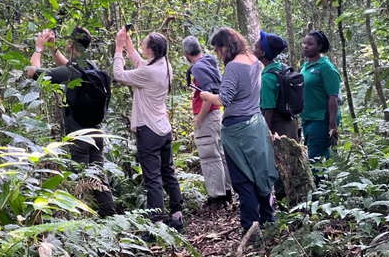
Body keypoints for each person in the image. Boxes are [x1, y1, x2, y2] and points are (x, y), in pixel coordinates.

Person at [200, 28, 278, 243]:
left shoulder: (234, 66)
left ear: (226, 46)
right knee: (260, 174)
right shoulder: (254, 59)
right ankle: (268, 221)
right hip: (256, 125)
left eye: (217, 49)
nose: (217, 54)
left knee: (244, 180)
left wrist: (206, 95)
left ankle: (251, 231)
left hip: (237, 130)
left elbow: (224, 99)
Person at [27, 27, 116, 218]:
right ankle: (111, 219)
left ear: (72, 44)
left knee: (79, 183)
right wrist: (53, 49)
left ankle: (80, 225)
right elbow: (66, 66)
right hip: (96, 134)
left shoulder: (72, 72)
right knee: (99, 180)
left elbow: (33, 73)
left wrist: (38, 49)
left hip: (79, 137)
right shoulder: (89, 66)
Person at [113, 27, 185, 241]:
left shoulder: (149, 72)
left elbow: (119, 75)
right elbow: (139, 63)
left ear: (151, 50)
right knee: (168, 172)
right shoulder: (164, 65)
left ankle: (157, 226)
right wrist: (127, 43)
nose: (141, 46)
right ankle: (177, 217)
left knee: (153, 178)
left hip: (149, 130)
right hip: (163, 128)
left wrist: (118, 50)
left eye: (143, 43)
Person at [181, 36, 232, 211]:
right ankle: (226, 192)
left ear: (186, 53)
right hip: (218, 114)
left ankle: (216, 198)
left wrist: (200, 117)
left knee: (209, 156)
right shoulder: (210, 63)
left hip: (209, 115)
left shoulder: (199, 68)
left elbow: (208, 93)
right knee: (220, 153)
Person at [253, 31, 299, 201]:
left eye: (257, 45)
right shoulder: (282, 68)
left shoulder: (267, 78)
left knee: (280, 168)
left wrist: (267, 136)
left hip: (278, 127)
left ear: (263, 53)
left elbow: (269, 110)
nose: (254, 46)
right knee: (291, 166)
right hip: (291, 123)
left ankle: (285, 207)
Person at [300, 30, 341, 163]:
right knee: (318, 157)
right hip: (308, 118)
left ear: (319, 46)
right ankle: (326, 182)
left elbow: (333, 98)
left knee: (316, 159)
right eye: (304, 43)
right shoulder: (305, 66)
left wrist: (332, 126)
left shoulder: (326, 68)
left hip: (321, 119)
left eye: (310, 44)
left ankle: (320, 183)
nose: (305, 46)